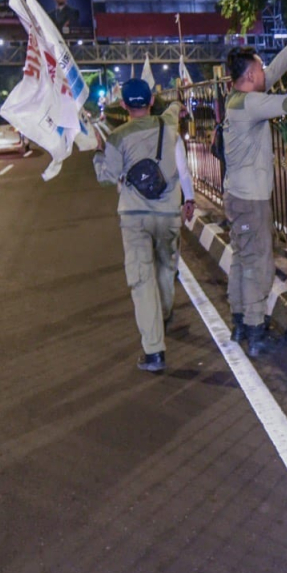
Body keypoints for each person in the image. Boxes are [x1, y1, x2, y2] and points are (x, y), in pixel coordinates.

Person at [222, 19, 287, 356]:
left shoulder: (237, 99)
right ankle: (255, 329)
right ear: (249, 76)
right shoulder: (251, 105)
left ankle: (238, 322)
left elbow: (273, 75)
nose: (264, 72)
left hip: (236, 195)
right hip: (251, 200)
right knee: (258, 264)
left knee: (241, 258)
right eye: (260, 68)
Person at [94, 78, 196, 373]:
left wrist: (99, 155)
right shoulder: (168, 125)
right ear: (152, 101)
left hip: (134, 215)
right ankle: (163, 314)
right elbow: (175, 109)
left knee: (141, 280)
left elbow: (106, 177)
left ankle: (154, 351)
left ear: (124, 105)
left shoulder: (118, 136)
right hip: (167, 213)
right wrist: (188, 199)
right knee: (166, 267)